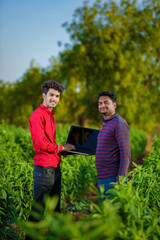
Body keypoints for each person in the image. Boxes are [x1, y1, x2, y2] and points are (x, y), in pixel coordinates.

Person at [28, 80, 75, 220]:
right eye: (51, 95)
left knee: (56, 211)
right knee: (38, 212)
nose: (54, 99)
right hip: (44, 170)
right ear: (44, 95)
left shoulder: (50, 115)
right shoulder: (37, 116)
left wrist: (62, 151)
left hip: (55, 167)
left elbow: (49, 142)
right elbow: (41, 144)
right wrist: (61, 147)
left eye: (57, 96)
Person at [96, 91, 131, 200]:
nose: (102, 105)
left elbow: (126, 153)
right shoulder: (106, 123)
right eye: (100, 103)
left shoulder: (119, 123)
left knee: (112, 214)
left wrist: (120, 179)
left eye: (106, 103)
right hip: (102, 178)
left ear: (114, 105)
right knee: (104, 214)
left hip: (112, 179)